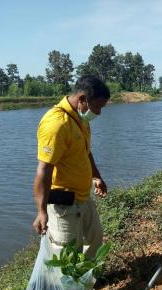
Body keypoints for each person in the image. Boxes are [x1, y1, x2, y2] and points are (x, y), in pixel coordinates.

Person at [32, 75, 110, 259]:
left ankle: (89, 282)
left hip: (83, 196)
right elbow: (43, 170)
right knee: (67, 253)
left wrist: (96, 177)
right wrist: (41, 211)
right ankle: (67, 288)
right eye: (97, 106)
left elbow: (85, 152)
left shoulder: (80, 118)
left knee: (95, 240)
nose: (98, 113)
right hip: (63, 202)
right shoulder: (56, 124)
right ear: (82, 99)